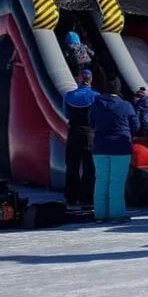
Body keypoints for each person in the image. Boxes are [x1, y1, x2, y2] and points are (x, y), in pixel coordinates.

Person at [88, 77, 139, 222]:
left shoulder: (96, 104)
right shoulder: (126, 105)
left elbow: (91, 122)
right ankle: (116, 214)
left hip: (100, 147)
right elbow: (136, 125)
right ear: (119, 89)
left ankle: (100, 214)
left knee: (101, 180)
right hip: (120, 148)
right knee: (117, 181)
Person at [63, 68, 99, 208]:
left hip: (73, 133)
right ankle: (87, 196)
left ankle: (71, 196)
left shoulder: (68, 96)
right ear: (91, 80)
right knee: (89, 166)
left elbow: (66, 115)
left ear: (79, 79)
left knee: (72, 165)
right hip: (90, 134)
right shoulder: (96, 96)